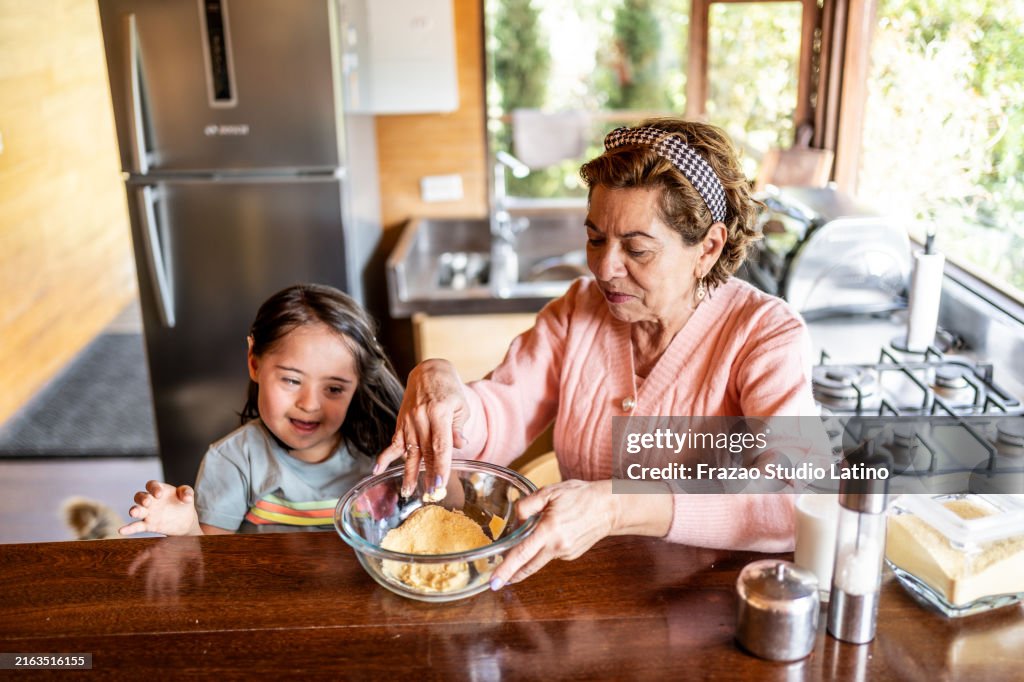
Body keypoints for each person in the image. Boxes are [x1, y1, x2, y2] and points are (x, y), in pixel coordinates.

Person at [376, 118, 824, 589]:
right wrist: (443, 382)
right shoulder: (577, 312)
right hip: (584, 595)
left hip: (711, 601)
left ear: (708, 248)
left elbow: (796, 500)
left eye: (637, 249)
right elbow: (501, 413)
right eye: (595, 239)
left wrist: (617, 506)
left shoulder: (764, 335)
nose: (605, 269)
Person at [120, 283, 403, 536]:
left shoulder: (388, 450)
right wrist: (187, 528)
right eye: (292, 380)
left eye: (334, 389)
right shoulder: (233, 461)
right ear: (254, 363)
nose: (309, 404)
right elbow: (212, 561)